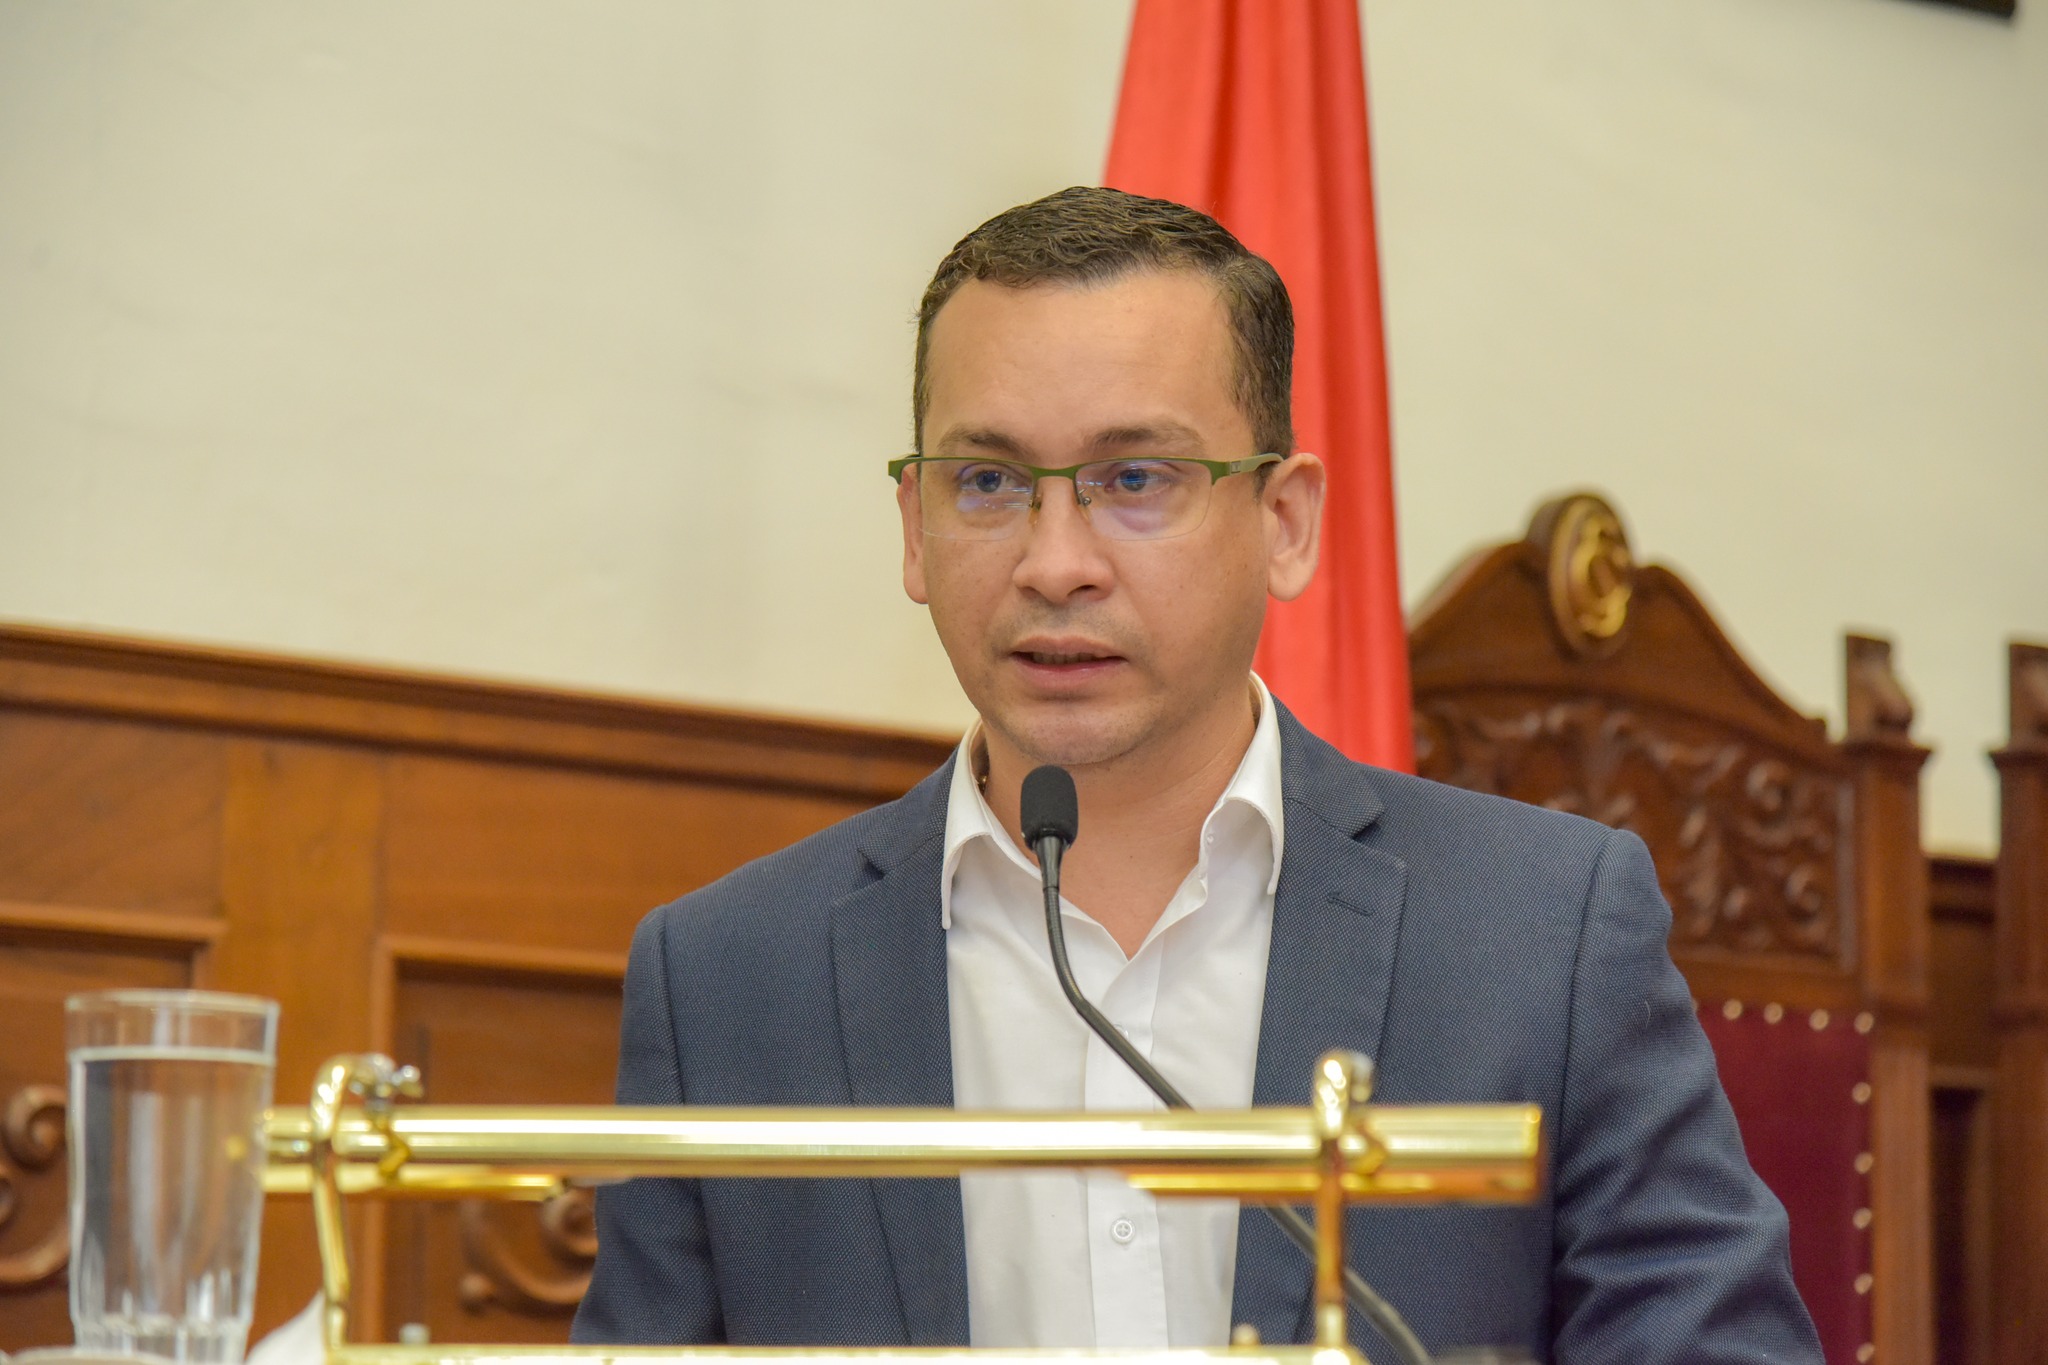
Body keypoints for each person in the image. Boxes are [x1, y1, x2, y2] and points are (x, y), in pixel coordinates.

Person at [571, 187, 1821, 1361]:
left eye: (1134, 480)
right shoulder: (726, 978)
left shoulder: (1542, 932)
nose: (1054, 562)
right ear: (913, 528)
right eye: (988, 482)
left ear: (1283, 524)